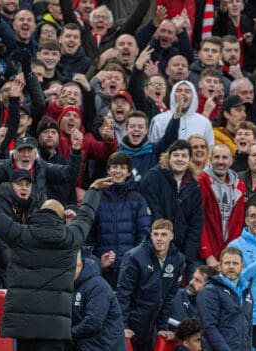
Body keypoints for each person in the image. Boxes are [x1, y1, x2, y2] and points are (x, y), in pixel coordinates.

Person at [0, 175, 112, 351]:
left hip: (23, 328)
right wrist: (94, 190)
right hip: (55, 329)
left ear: (39, 214)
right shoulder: (71, 237)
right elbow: (86, 216)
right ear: (62, 218)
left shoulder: (20, 234)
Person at [117, 219, 186, 351]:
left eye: (164, 234)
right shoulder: (134, 257)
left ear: (171, 236)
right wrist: (123, 325)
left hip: (152, 324)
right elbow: (123, 295)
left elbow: (169, 297)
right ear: (151, 235)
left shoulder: (178, 260)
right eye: (156, 234)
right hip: (132, 321)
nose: (159, 238)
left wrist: (162, 327)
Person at [139, 140, 203, 278]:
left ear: (190, 159)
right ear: (169, 157)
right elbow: (155, 216)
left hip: (181, 254)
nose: (180, 159)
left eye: (184, 156)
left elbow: (196, 225)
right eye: (176, 155)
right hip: (154, 250)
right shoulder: (152, 178)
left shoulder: (194, 187)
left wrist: (186, 258)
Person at [87, 152, 151, 289]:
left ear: (129, 172)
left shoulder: (138, 198)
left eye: (122, 167)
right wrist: (95, 262)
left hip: (129, 268)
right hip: (102, 267)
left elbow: (144, 233)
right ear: (108, 170)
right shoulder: (97, 196)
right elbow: (89, 233)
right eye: (114, 167)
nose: (118, 171)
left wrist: (134, 260)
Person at [227, 203, 256, 351]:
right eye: (253, 216)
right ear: (246, 220)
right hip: (248, 318)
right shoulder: (235, 247)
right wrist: (255, 266)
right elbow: (229, 281)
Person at [198, 144, 246, 270]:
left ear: (231, 161)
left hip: (226, 255)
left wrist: (228, 254)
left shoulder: (239, 186)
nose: (220, 161)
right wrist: (208, 254)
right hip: (203, 254)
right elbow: (198, 220)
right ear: (210, 159)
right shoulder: (202, 181)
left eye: (225, 158)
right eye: (216, 157)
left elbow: (238, 224)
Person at [197, 247, 253, 351]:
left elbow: (248, 328)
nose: (231, 266)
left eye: (235, 263)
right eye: (227, 263)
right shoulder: (210, 291)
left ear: (242, 267)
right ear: (220, 267)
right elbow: (209, 328)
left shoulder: (247, 292)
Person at [71, 252, 125, 351]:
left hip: (103, 347)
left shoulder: (98, 286)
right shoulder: (73, 285)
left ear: (78, 267)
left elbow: (93, 324)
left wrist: (68, 335)